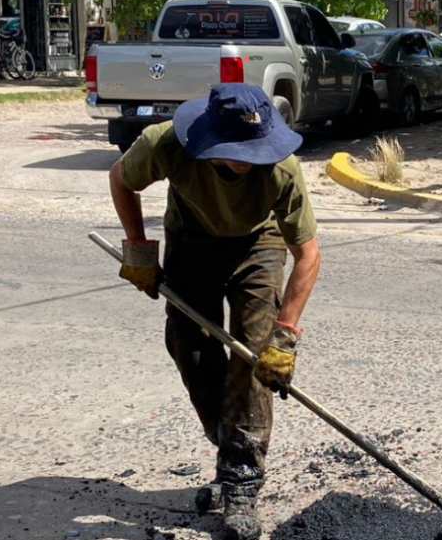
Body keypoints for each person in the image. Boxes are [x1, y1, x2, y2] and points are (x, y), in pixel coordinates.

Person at [108, 84, 321, 540]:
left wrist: (284, 337)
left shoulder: (282, 169)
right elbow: (121, 179)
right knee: (191, 349)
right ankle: (229, 443)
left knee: (253, 356)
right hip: (192, 239)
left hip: (258, 243)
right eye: (238, 151)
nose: (248, 160)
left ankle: (241, 481)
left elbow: (307, 254)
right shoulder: (167, 143)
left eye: (255, 150)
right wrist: (138, 251)